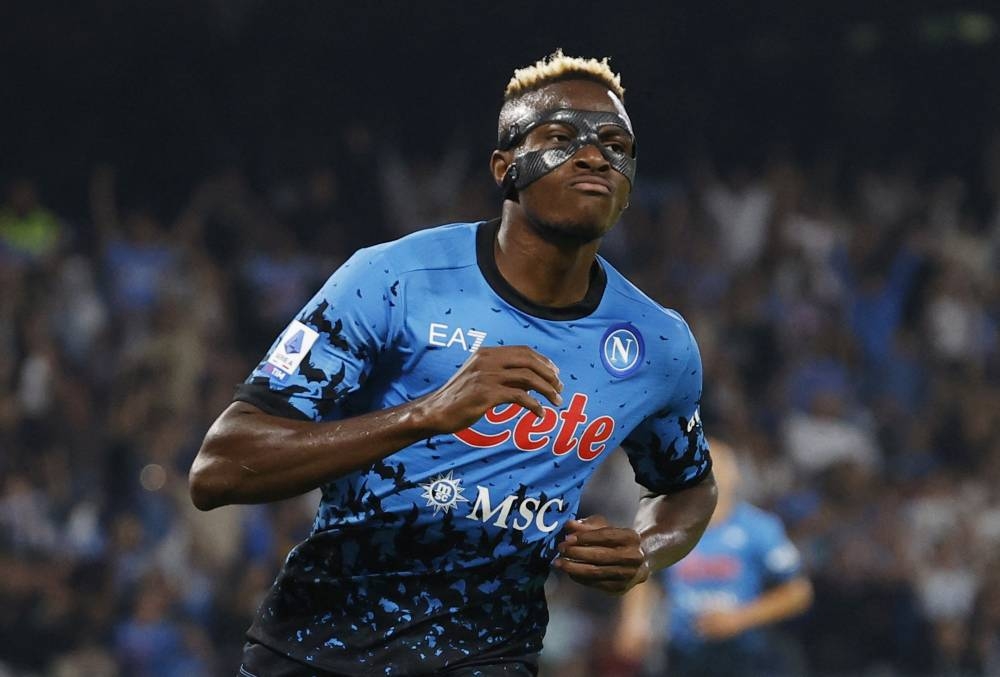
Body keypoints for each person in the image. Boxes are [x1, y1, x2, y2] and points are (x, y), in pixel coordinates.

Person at [189, 50, 718, 676]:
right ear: (506, 168)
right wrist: (425, 415)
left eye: (615, 143)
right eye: (560, 137)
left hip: (489, 656)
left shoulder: (659, 345)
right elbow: (219, 470)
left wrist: (646, 550)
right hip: (316, 647)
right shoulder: (391, 279)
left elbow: (688, 488)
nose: (595, 155)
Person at [614, 439, 812, 677]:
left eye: (715, 467)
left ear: (734, 475)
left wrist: (740, 619)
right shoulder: (666, 526)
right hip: (681, 654)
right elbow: (644, 576)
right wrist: (634, 622)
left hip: (742, 657)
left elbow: (798, 592)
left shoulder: (760, 528)